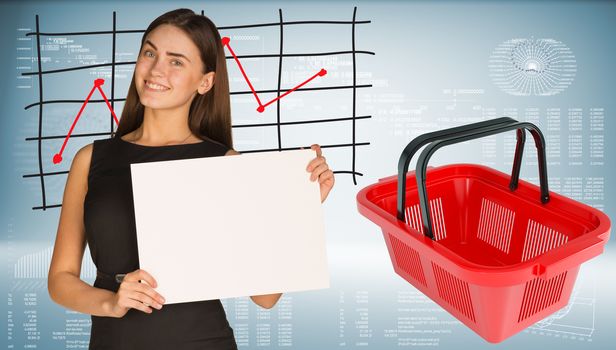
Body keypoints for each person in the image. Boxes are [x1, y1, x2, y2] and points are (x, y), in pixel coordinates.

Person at [47, 8, 335, 349]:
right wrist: (111, 303)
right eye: (150, 53)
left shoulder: (226, 164)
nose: (156, 70)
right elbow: (60, 280)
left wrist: (300, 209)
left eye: (176, 61)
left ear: (205, 82)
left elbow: (265, 297)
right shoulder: (91, 159)